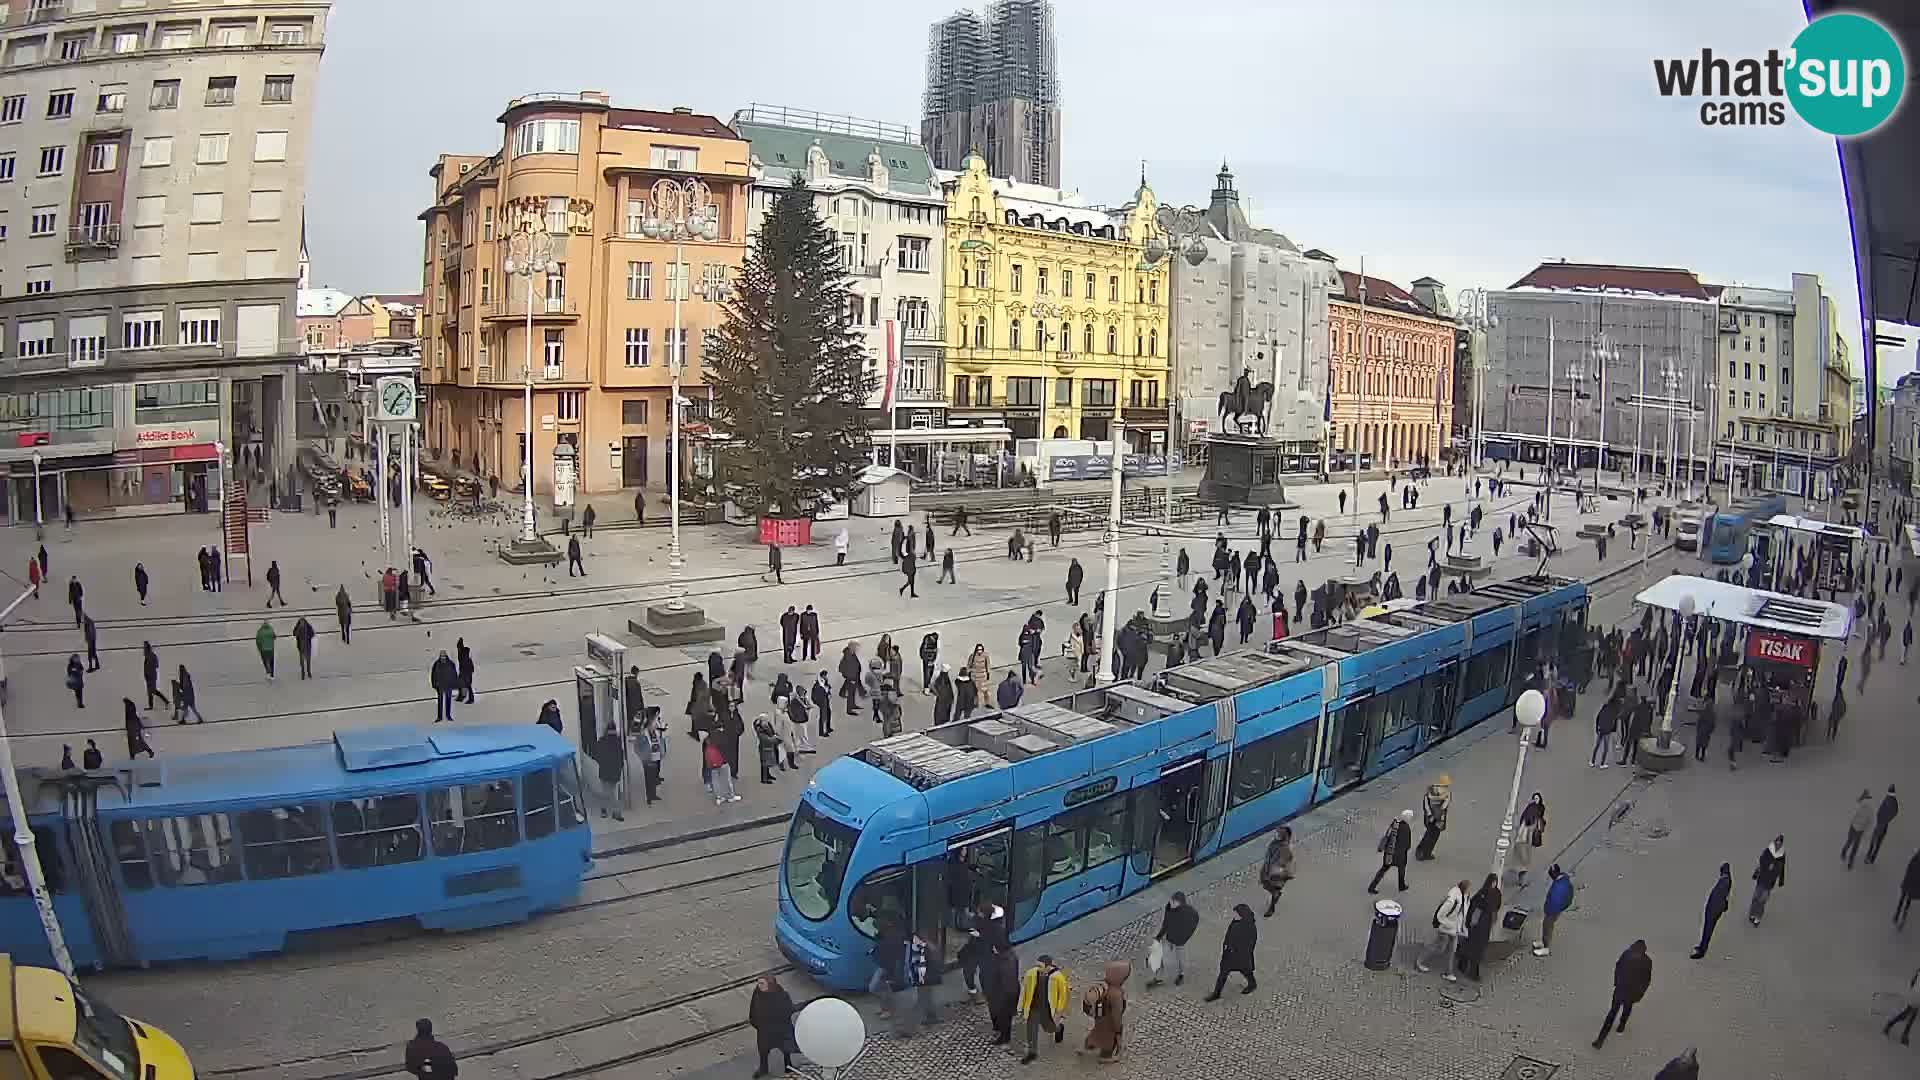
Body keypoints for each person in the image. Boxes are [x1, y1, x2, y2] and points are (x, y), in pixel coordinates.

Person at [1591, 940, 1653, 1049]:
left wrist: (1639, 994)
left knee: (1624, 1010)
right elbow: (1618, 966)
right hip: (1622, 989)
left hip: (1630, 991)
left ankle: (1621, 1024)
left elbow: (1646, 980)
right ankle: (1601, 1039)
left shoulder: (1645, 961)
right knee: (1613, 1013)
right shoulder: (1629, 955)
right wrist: (1617, 982)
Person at [1017, 954, 1069, 1064]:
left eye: (1040, 966)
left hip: (1048, 1010)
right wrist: (1020, 1007)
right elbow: (1024, 990)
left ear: (1048, 966)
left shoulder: (1058, 978)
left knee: (1049, 1029)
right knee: (1031, 1031)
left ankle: (1059, 1028)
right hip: (1033, 1008)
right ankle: (1032, 1053)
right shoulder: (1031, 974)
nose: (1037, 968)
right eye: (1037, 965)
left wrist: (1058, 1014)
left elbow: (1063, 997)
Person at [1416, 879, 1469, 981]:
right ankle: (1419, 961)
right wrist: (1450, 925)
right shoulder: (1452, 900)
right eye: (1468, 889)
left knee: (1451, 952)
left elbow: (1462, 915)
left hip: (1454, 930)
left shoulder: (1464, 898)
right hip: (1445, 930)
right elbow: (1440, 915)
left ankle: (1449, 973)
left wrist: (1461, 928)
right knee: (1438, 947)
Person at [747, 975, 797, 1078]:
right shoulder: (757, 993)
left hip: (780, 1030)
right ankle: (763, 1069)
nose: (758, 985)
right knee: (763, 1051)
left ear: (770, 985)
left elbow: (788, 1011)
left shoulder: (782, 995)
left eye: (762, 983)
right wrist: (755, 1023)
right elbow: (753, 1008)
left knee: (785, 1049)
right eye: (758, 983)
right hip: (764, 1031)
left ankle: (788, 1066)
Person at [1204, 904, 1258, 1000]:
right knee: (1223, 973)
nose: (1233, 915)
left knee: (1246, 970)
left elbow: (1250, 943)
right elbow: (1230, 935)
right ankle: (1217, 993)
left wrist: (1238, 951)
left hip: (1240, 956)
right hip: (1230, 954)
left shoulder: (1249, 927)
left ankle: (1252, 984)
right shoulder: (1236, 922)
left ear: (1241, 915)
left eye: (1236, 913)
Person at [1145, 891, 1199, 988]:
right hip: (1169, 938)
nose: (1171, 903)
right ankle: (1158, 978)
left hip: (1180, 940)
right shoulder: (1168, 908)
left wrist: (1185, 937)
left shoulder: (1189, 913)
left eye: (1174, 902)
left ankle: (1181, 974)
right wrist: (1159, 937)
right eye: (1171, 901)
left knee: (1180, 959)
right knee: (1160, 956)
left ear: (1180, 903)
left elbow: (1193, 924)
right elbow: (1166, 924)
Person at [1458, 873, 1501, 981]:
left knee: (1472, 947)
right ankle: (1471, 971)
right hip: (1479, 925)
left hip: (1482, 925)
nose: (1494, 884)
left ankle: (1464, 965)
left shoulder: (1489, 894)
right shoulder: (1485, 894)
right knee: (1475, 949)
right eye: (1493, 882)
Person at [1691, 862, 1733, 959]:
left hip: (1713, 911)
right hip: (1717, 910)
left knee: (1707, 930)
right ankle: (1702, 946)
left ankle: (1702, 951)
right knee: (1708, 930)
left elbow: (1717, 898)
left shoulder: (1723, 883)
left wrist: (1710, 910)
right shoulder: (1728, 880)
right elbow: (1726, 897)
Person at [1368, 809, 1414, 893]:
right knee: (1401, 870)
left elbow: (1387, 836)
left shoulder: (1395, 823)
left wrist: (1382, 847)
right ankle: (1402, 886)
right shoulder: (1406, 827)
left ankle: (1372, 887)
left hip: (1389, 854)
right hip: (1400, 855)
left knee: (1383, 869)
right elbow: (1407, 843)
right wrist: (1406, 849)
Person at [1534, 863, 1574, 956]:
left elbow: (1555, 901)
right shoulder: (1563, 880)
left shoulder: (1559, 886)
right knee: (1546, 925)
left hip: (1552, 910)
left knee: (1547, 926)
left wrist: (1548, 910)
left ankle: (1546, 947)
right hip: (1556, 909)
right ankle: (1543, 942)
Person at [1749, 834, 1787, 925]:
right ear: (1775, 842)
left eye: (1780, 843)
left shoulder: (1782, 855)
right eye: (1777, 842)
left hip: (1770, 882)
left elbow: (1782, 868)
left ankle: (1757, 917)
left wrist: (1781, 880)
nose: (1778, 844)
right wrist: (1756, 873)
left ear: (1781, 844)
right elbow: (1761, 862)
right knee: (1755, 898)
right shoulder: (1768, 851)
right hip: (1762, 878)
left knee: (1762, 900)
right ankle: (1752, 914)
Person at [1259, 826, 1295, 917]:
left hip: (1278, 873)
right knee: (1265, 884)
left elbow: (1284, 862)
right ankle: (1275, 894)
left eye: (1280, 833)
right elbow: (1268, 856)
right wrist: (1265, 868)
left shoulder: (1286, 848)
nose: (1278, 834)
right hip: (1270, 868)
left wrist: (1277, 872)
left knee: (1275, 888)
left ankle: (1271, 908)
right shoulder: (1274, 844)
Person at [1415, 775, 1450, 860]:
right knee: (1429, 835)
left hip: (1437, 819)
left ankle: (1427, 853)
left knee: (1434, 836)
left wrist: (1439, 817)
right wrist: (1431, 815)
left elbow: (1444, 806)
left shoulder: (1446, 794)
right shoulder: (1431, 792)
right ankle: (1420, 851)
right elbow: (1426, 805)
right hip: (1432, 818)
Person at [1515, 792, 1547, 886]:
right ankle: (1522, 880)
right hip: (1529, 831)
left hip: (1533, 830)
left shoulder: (1541, 807)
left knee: (1525, 859)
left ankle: (1522, 878)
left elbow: (1540, 816)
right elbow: (1526, 817)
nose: (1535, 800)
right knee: (1524, 862)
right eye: (1534, 798)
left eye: (1537, 798)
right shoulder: (1531, 807)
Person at [1884, 968, 1920, 1046]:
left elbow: (1912, 983)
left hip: (1915, 996)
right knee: (1908, 1016)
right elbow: (1913, 983)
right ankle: (1900, 1033)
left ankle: (1892, 1027)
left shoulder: (1918, 972)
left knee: (1908, 1016)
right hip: (1916, 998)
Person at [1844, 789, 1876, 869]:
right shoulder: (1866, 808)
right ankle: (1848, 859)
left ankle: (1846, 856)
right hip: (1858, 829)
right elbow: (1870, 822)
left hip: (1855, 828)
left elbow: (1870, 822)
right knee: (1853, 845)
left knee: (1850, 843)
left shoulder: (1863, 806)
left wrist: (1853, 823)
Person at [1870, 784, 1900, 864]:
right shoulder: (1889, 799)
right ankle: (1870, 855)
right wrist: (1880, 816)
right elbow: (1883, 808)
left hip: (1882, 825)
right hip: (1881, 823)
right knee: (1875, 840)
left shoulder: (1891, 801)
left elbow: (1895, 812)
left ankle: (1871, 858)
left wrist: (1885, 820)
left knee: (1876, 841)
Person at [430, 650, 458, 722]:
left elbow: (454, 675)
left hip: (448, 685)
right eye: (441, 656)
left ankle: (448, 716)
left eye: (444, 656)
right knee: (440, 702)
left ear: (446, 656)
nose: (443, 658)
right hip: (440, 686)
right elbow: (433, 675)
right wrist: (434, 684)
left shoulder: (451, 664)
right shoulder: (436, 664)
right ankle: (440, 717)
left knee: (448, 701)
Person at [456, 639, 476, 704]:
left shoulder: (463, 656)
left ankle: (469, 698)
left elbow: (469, 667)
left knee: (467, 685)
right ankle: (462, 696)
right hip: (464, 673)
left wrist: (465, 674)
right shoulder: (464, 655)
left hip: (465, 673)